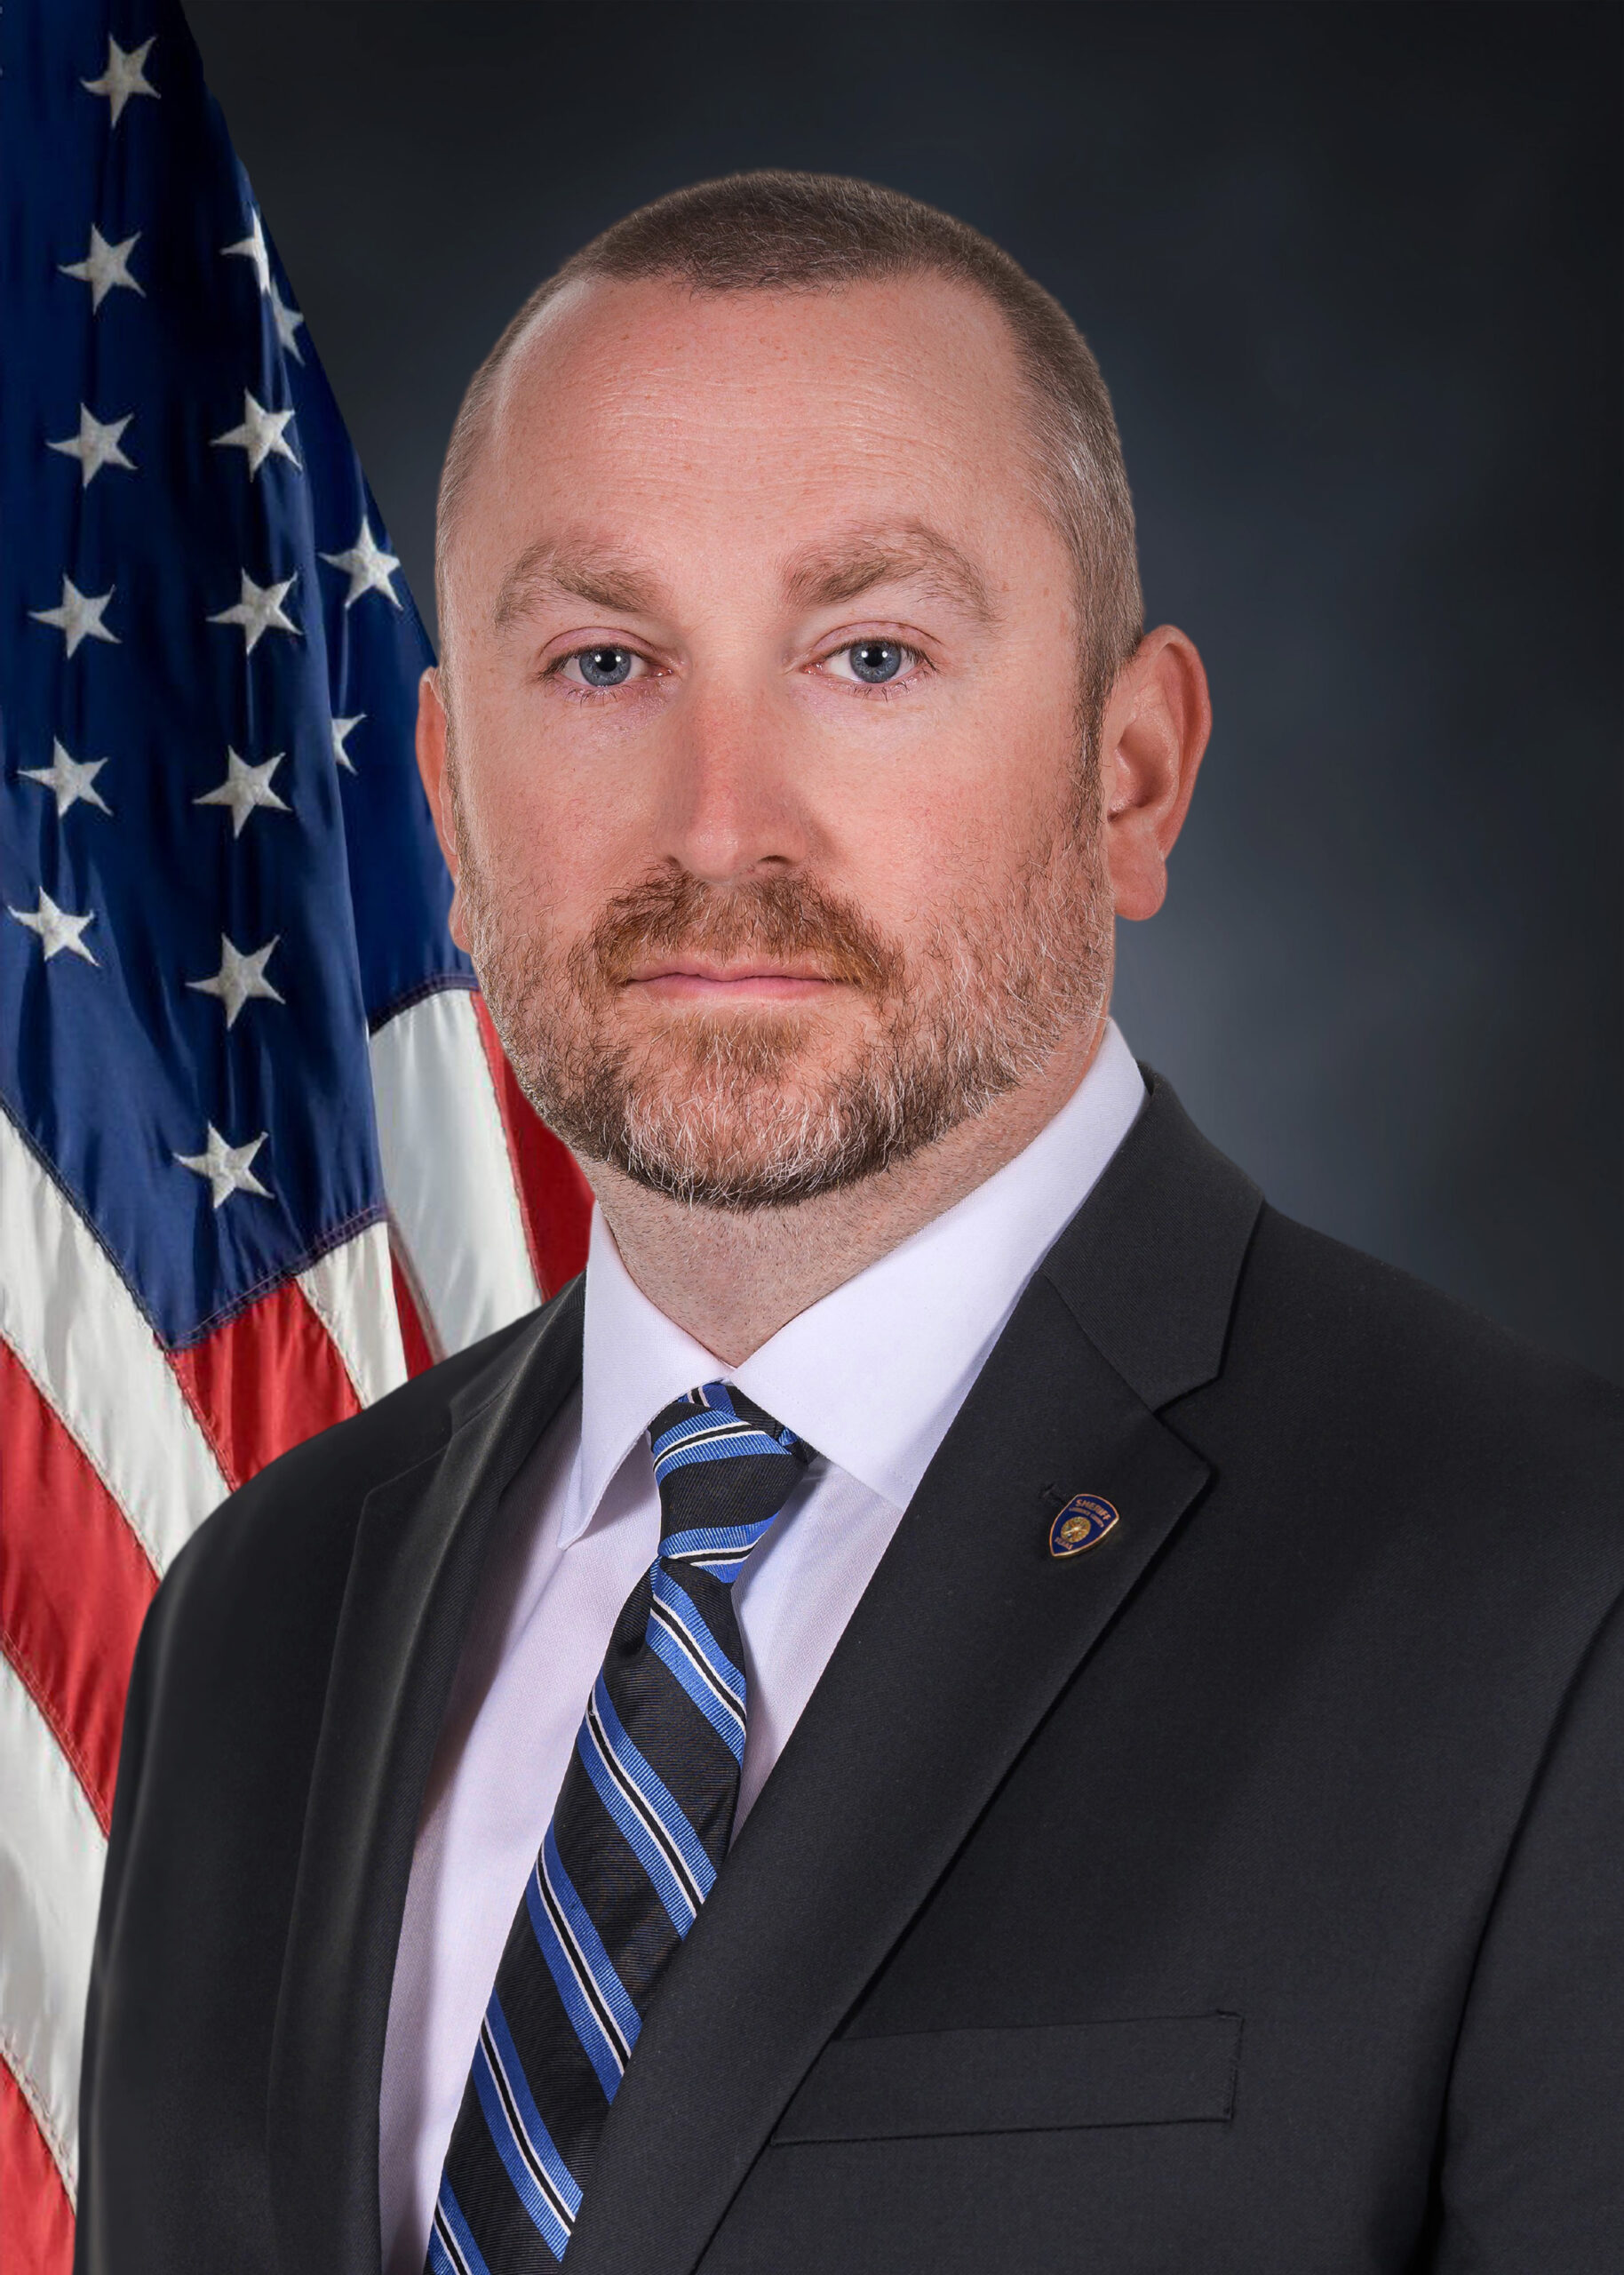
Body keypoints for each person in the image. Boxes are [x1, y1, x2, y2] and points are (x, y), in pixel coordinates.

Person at [76, 172, 1622, 2275]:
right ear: (444, 802)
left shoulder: (1550, 1603)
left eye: (868, 652)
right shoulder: (255, 1606)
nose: (723, 821)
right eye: (603, 658)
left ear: (1130, 774)